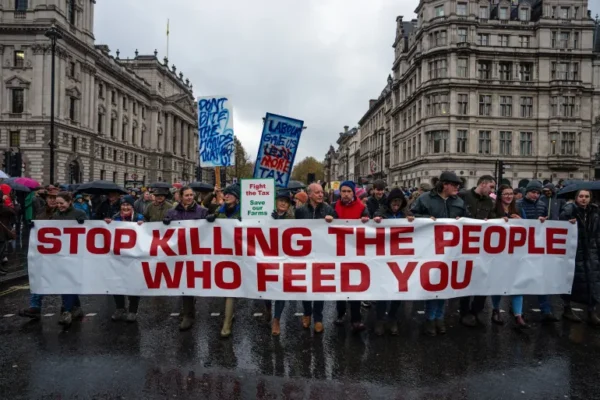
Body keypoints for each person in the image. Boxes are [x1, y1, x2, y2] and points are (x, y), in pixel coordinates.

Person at [411, 171, 466, 336]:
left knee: (444, 284)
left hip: (450, 250)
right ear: (444, 185)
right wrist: (427, 219)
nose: (457, 188)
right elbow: (412, 216)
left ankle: (439, 318)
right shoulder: (425, 199)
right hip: (429, 249)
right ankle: (430, 318)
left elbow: (468, 219)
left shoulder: (459, 201)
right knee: (432, 282)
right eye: (454, 185)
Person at [164, 186, 208, 331]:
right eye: (187, 195)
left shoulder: (202, 212)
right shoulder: (172, 212)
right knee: (183, 281)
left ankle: (188, 313)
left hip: (196, 252)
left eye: (191, 195)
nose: (189, 197)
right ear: (180, 196)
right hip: (179, 253)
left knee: (192, 281)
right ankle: (188, 312)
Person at [295, 182, 336, 333]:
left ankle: (318, 318)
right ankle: (307, 314)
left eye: (322, 192)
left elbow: (340, 228)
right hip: (305, 254)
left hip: (322, 254)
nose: (320, 194)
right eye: (317, 192)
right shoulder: (300, 211)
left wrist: (334, 220)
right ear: (310, 194)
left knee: (319, 286)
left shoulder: (328, 209)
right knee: (305, 285)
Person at [373, 187, 414, 335]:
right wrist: (376, 220)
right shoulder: (381, 212)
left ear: (402, 203)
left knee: (397, 292)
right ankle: (380, 320)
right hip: (384, 259)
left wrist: (413, 220)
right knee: (383, 292)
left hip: (400, 260)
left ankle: (392, 318)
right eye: (394, 202)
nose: (396, 205)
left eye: (399, 202)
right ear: (389, 202)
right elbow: (374, 219)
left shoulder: (406, 214)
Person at [517, 180, 560, 323]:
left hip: (538, 247)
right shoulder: (518, 205)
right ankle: (518, 311)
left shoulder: (542, 206)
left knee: (541, 278)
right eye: (533, 192)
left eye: (537, 193)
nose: (535, 195)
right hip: (522, 249)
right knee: (521, 279)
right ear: (527, 192)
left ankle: (546, 310)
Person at [458, 175, 496, 327]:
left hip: (482, 246)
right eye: (491, 187)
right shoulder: (463, 196)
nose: (492, 190)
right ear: (483, 184)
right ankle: (465, 312)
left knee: (482, 276)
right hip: (464, 245)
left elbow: (494, 218)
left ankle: (477, 309)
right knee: (465, 278)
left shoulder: (490, 202)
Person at [331, 181, 369, 333]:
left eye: (348, 191)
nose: (346, 194)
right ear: (340, 192)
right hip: (338, 251)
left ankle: (356, 319)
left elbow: (371, 226)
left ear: (353, 193)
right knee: (340, 285)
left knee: (354, 286)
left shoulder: (362, 208)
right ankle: (340, 314)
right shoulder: (334, 207)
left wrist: (369, 220)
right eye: (343, 191)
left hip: (355, 252)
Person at [560, 190, 600, 326]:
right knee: (572, 281)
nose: (584, 199)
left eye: (587, 197)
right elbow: (560, 226)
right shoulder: (569, 211)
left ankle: (591, 311)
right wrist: (567, 221)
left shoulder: (595, 212)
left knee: (593, 281)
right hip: (575, 251)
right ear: (576, 198)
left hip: (591, 251)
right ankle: (567, 308)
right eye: (581, 196)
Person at [18, 186, 59, 318]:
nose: (52, 201)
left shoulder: (65, 212)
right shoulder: (42, 212)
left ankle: (71, 307)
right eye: (50, 198)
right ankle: (35, 307)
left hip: (62, 255)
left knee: (66, 280)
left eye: (55, 198)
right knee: (39, 278)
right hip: (45, 253)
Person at [492, 185, 529, 329]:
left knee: (517, 283)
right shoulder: (494, 210)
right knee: (497, 283)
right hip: (498, 253)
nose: (508, 196)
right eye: (505, 194)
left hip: (515, 253)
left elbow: (529, 228)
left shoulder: (519, 210)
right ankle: (495, 310)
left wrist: (520, 220)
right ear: (500, 196)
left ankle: (518, 315)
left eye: (511, 194)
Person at [208, 183, 241, 337]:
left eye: (230, 194)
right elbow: (205, 205)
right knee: (224, 287)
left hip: (239, 255)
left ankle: (226, 324)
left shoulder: (242, 212)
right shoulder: (219, 211)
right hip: (221, 254)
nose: (226, 196)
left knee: (230, 289)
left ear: (237, 198)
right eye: (225, 194)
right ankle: (229, 315)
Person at [105, 195, 144, 322]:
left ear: (132, 207)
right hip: (119, 257)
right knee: (117, 282)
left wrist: (144, 225)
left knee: (133, 282)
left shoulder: (139, 218)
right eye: (123, 205)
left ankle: (133, 310)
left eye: (128, 205)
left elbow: (147, 234)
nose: (125, 207)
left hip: (134, 257)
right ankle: (120, 307)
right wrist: (106, 224)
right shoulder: (115, 218)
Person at [54, 191, 88, 326]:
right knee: (65, 280)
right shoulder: (55, 216)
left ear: (69, 202)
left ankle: (67, 311)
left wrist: (83, 223)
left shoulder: (80, 214)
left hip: (76, 254)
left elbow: (91, 230)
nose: (59, 206)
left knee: (69, 280)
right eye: (57, 203)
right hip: (61, 254)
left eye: (61, 203)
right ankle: (76, 308)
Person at [265, 190, 294, 336]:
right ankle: (268, 308)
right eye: (280, 200)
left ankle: (276, 319)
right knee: (266, 286)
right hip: (266, 256)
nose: (283, 203)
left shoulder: (293, 218)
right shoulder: (265, 216)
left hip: (284, 258)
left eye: (286, 201)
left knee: (281, 289)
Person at [0, 186, 16, 275]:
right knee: (1, 250)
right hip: (1, 233)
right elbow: (13, 211)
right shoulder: (3, 207)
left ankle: (1, 268)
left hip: (2, 232)